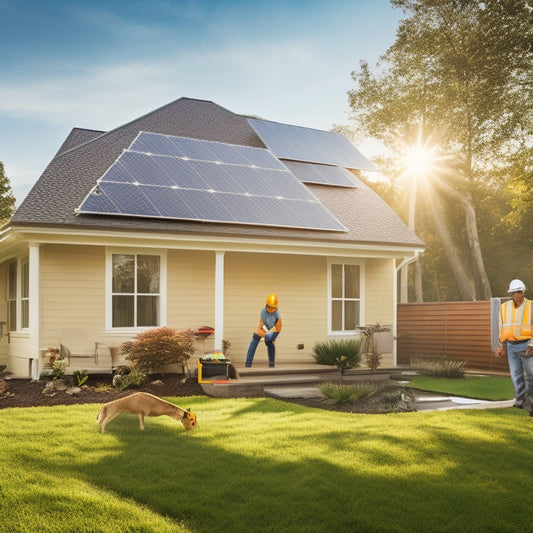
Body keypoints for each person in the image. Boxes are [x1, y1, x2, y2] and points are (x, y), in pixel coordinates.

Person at [496, 279, 533, 413]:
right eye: (517, 292)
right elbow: (501, 327)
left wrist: (532, 345)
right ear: (511, 294)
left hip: (527, 345)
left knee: (531, 375)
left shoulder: (531, 305)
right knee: (516, 376)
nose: (520, 294)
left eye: (521, 291)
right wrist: (500, 346)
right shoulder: (504, 307)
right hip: (511, 346)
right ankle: (520, 401)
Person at [245, 294, 282, 368]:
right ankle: (248, 364)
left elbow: (278, 328)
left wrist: (270, 334)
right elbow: (260, 326)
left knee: (270, 341)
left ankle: (271, 364)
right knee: (255, 336)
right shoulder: (263, 312)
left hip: (274, 330)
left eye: (273, 307)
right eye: (270, 307)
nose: (271, 309)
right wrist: (264, 334)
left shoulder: (277, 316)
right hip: (263, 330)